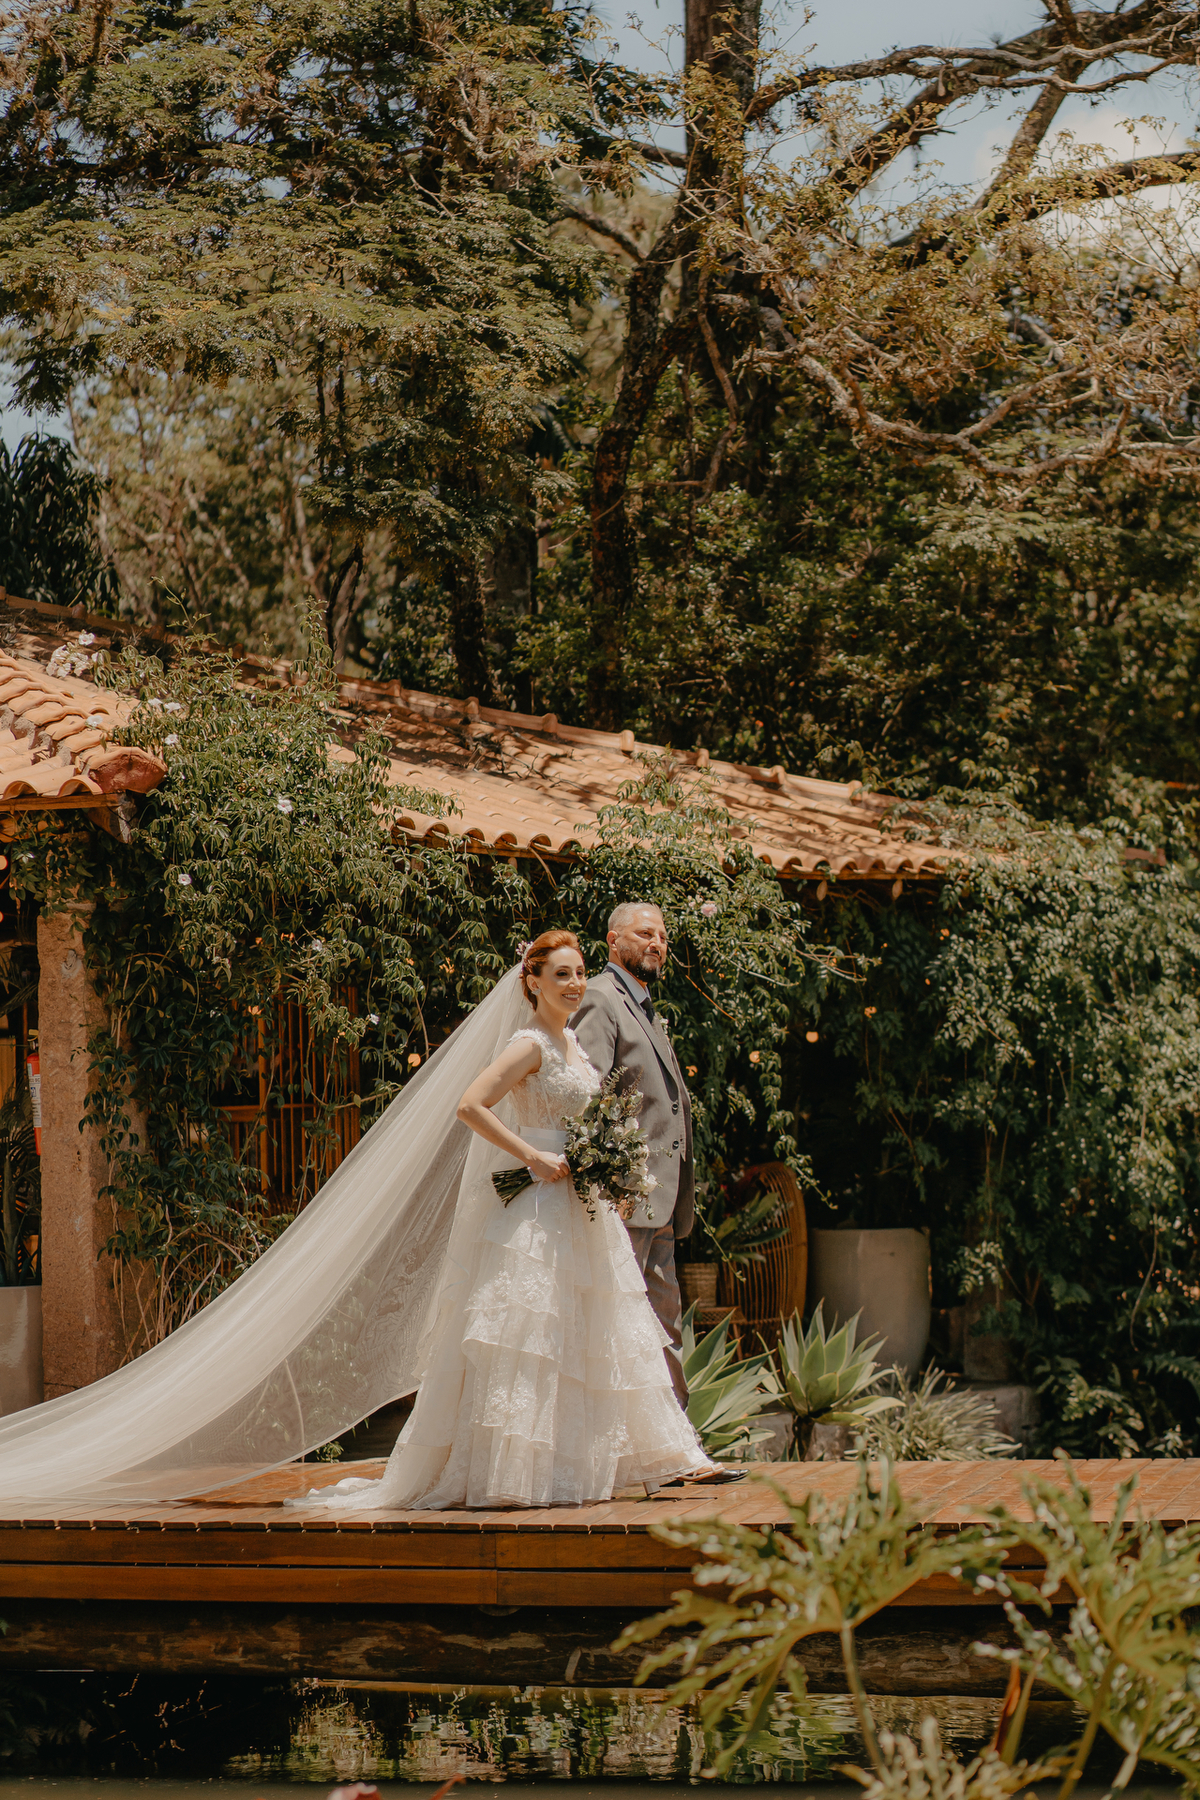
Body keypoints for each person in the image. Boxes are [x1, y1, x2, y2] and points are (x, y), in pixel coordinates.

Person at [304, 929, 716, 1511]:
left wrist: (605, 1161)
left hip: (581, 1202)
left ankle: (613, 1463)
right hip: (536, 1205)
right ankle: (513, 1472)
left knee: (592, 1330)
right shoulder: (530, 1045)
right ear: (533, 982)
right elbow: (470, 1105)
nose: (574, 985)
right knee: (529, 1330)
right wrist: (531, 1155)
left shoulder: (573, 1044)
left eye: (579, 974)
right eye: (561, 975)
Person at [570, 903, 693, 1410]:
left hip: (658, 1197)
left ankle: (677, 1437)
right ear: (613, 939)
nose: (656, 943)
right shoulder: (601, 997)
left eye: (662, 935)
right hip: (624, 1197)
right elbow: (586, 1097)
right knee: (617, 1322)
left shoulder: (642, 1003)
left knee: (664, 1323)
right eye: (644, 933)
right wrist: (611, 1182)